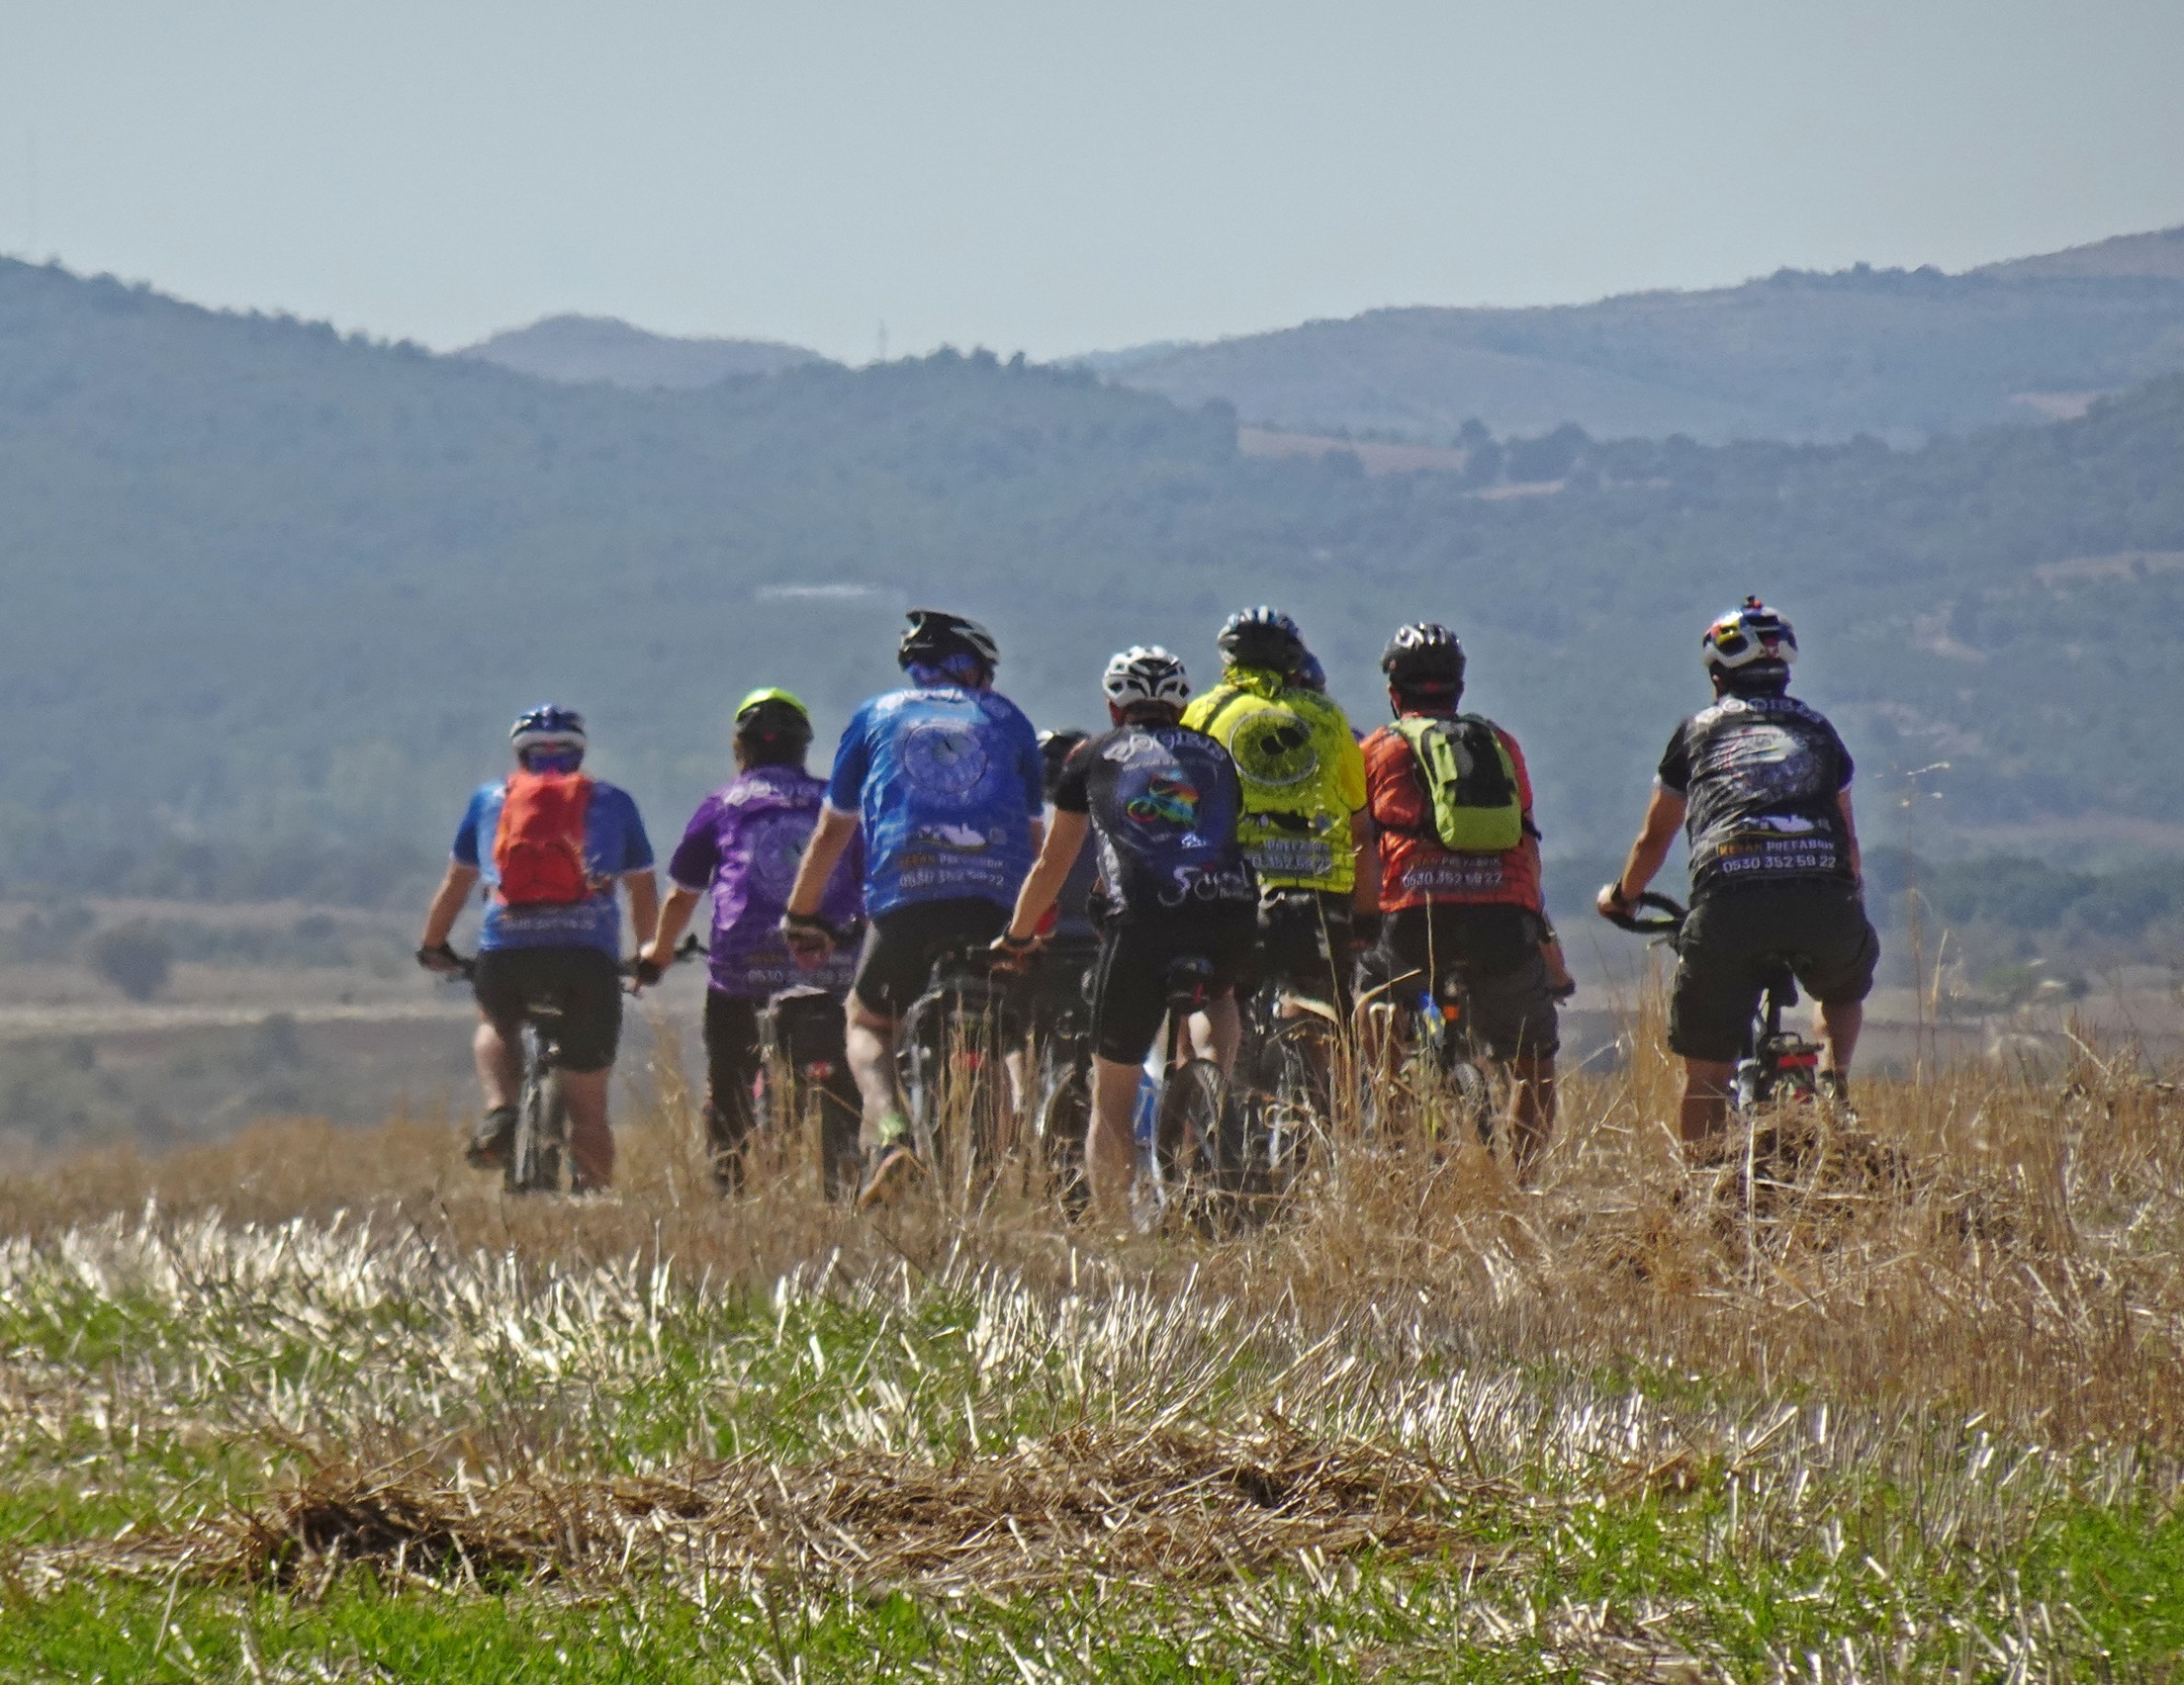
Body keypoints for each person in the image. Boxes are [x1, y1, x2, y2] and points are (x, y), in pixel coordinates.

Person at [780, 609, 1045, 1207]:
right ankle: (996, 1181)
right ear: (976, 671)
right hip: (995, 902)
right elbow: (1036, 843)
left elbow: (831, 833)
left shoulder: (876, 716)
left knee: (868, 1022)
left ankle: (892, 1130)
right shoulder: (1010, 719)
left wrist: (801, 913)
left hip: (907, 894)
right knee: (1001, 1033)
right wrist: (1034, 926)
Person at [1596, 597, 1877, 1146]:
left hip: (1730, 901)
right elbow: (1848, 839)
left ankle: (1700, 1195)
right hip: (1824, 898)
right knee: (1843, 988)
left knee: (1706, 1075)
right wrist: (1848, 898)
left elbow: (1654, 837)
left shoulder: (1698, 731)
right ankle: (1832, 1080)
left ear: (1717, 675)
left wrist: (1624, 896)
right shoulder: (1820, 730)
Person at [995, 647, 1257, 1219]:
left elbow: (1054, 863)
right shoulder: (1215, 752)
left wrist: (1016, 937)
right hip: (1229, 910)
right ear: (1182, 706)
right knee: (1219, 994)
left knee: (1111, 1093)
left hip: (1144, 922)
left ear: (1115, 707)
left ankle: (1113, 1229)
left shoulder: (1092, 755)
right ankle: (1212, 1085)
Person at [1354, 623, 1572, 1175]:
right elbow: (1525, 844)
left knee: (1371, 1004)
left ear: (1393, 691)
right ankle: (1523, 1187)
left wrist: (1362, 917)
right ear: (1459, 687)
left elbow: (1362, 842)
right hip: (1502, 915)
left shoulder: (1378, 749)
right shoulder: (1500, 745)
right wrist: (1544, 942)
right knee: (1533, 1067)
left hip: (1415, 914)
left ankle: (1393, 1133)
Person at [417, 705, 657, 1192]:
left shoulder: (490, 800)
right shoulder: (613, 801)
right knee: (588, 1108)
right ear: (580, 751)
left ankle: (501, 1110)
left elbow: (456, 885)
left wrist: (432, 944)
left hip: (508, 948)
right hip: (587, 955)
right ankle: (594, 1201)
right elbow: (644, 890)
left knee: (495, 1022)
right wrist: (647, 955)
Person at [636, 688, 864, 1195]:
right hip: (826, 956)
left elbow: (682, 896)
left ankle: (731, 1183)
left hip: (743, 962)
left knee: (730, 1074)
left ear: (740, 748)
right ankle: (845, 1165)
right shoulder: (835, 803)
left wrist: (659, 951)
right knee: (842, 1047)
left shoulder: (721, 804)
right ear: (802, 748)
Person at [1180, 606, 1369, 1020]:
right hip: (1322, 885)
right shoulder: (1327, 717)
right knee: (1324, 1007)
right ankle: (1326, 1076)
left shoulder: (1203, 712)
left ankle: (1202, 1076)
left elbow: (1180, 801)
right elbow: (1358, 810)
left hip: (1231, 887)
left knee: (1210, 1000)